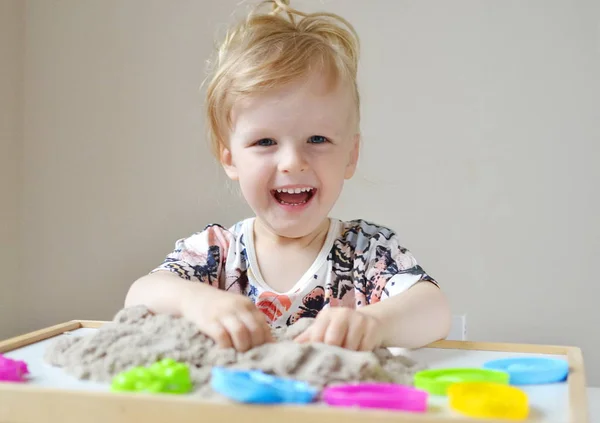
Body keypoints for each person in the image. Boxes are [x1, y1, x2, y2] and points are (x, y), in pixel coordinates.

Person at [125, 0, 451, 353]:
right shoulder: (216, 253)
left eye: (317, 139)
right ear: (230, 158)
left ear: (351, 155)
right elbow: (139, 296)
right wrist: (197, 303)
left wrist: (375, 323)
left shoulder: (367, 252)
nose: (292, 163)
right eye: (265, 141)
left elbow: (434, 310)